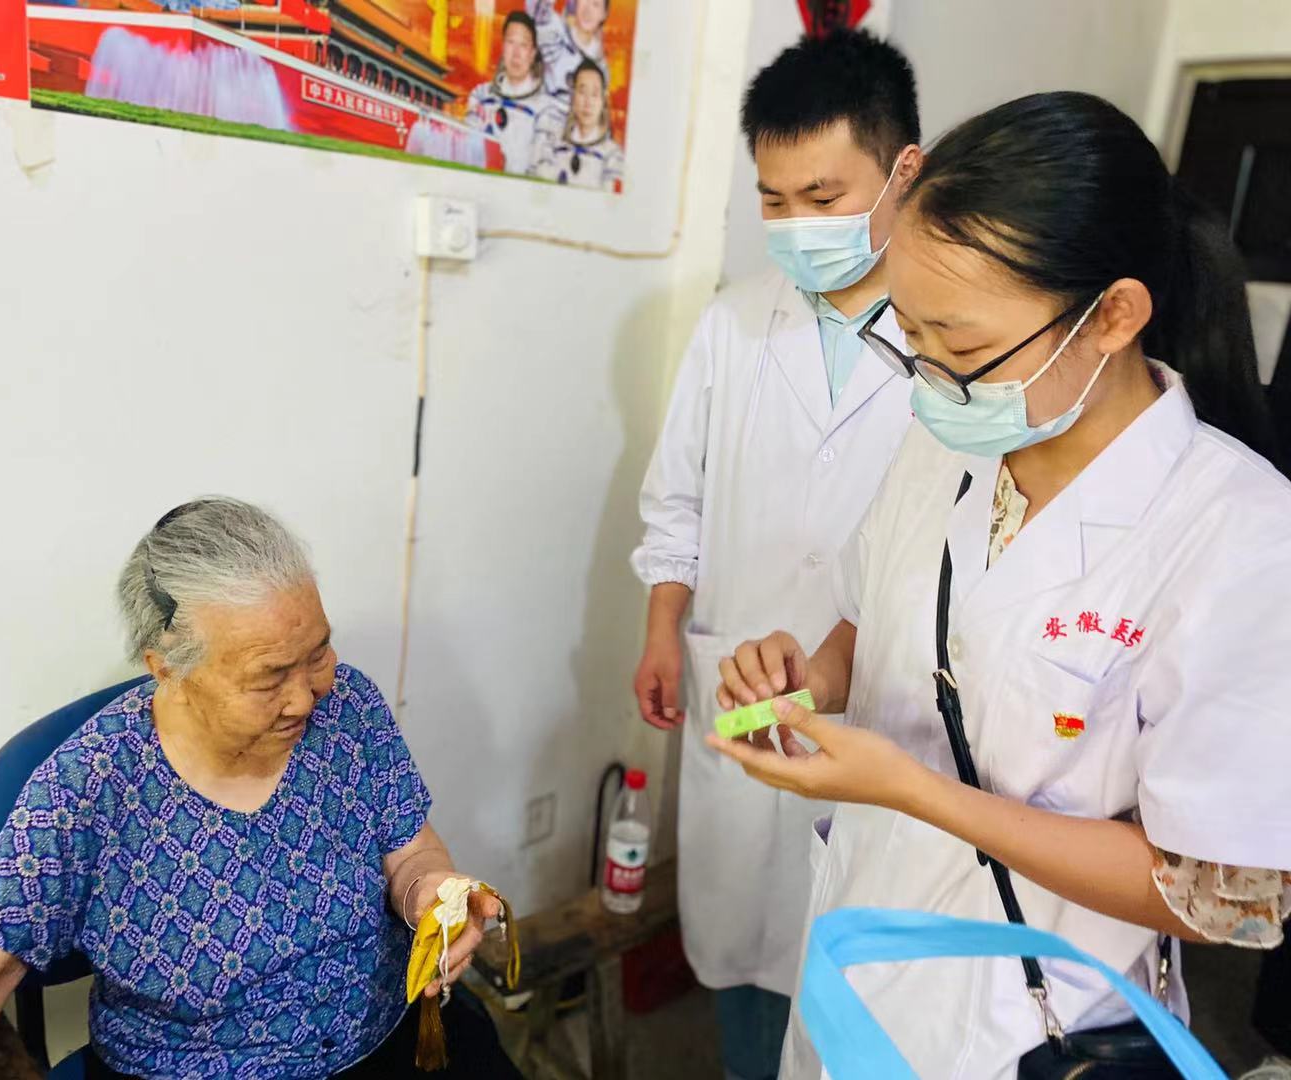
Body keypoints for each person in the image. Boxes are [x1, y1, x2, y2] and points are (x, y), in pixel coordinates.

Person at [712, 92, 1291, 1079]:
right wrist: (806, 678)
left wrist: (917, 792)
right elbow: (879, 620)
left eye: (966, 347)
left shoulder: (1240, 536)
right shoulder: (944, 441)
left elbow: (1215, 894)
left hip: (1031, 1021)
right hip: (855, 953)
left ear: (1112, 316)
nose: (931, 378)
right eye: (913, 337)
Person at [0, 498, 521, 1080]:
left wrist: (430, 895)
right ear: (167, 670)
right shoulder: (88, 790)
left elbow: (411, 854)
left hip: (392, 1036)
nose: (307, 696)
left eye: (318, 653)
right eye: (269, 677)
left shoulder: (349, 706)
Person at [629, 30, 921, 1080]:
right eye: (774, 200)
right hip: (738, 668)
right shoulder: (733, 323)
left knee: (858, 957)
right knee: (745, 934)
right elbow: (677, 494)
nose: (797, 224)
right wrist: (663, 629)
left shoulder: (953, 334)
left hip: (882, 697)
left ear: (904, 171)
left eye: (823, 195)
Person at [465, 11, 559, 176]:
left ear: (532, 53)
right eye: (511, 42)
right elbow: (468, 154)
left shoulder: (545, 109)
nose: (516, 54)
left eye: (523, 45)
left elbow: (542, 172)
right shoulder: (481, 95)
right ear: (503, 47)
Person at [532, 59, 624, 191]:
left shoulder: (612, 155)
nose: (588, 103)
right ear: (572, 96)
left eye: (594, 94)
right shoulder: (552, 144)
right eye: (582, 92)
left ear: (603, 100)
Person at [525, 0, 608, 109]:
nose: (588, 10)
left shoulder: (601, 68)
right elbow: (535, 11)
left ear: (604, 14)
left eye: (595, 4)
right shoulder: (555, 30)